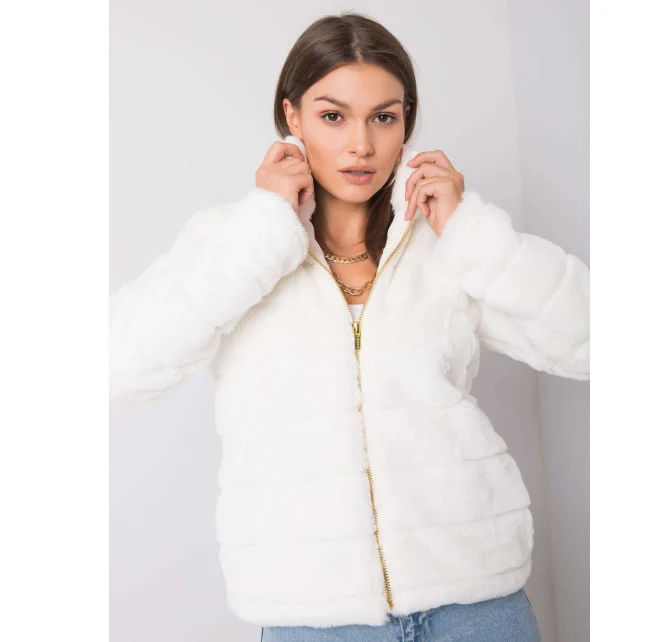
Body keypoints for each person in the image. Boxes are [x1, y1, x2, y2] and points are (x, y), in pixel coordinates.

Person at [110, 12, 588, 642]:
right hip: (317, 621)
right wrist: (262, 230)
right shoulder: (232, 246)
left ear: (406, 124)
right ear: (292, 116)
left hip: (477, 606)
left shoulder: (445, 244)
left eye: (383, 117)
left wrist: (472, 233)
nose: (361, 144)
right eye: (333, 116)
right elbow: (120, 366)